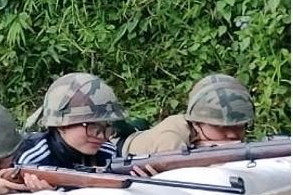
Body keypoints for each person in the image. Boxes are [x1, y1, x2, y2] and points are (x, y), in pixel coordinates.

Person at [14, 72, 126, 170]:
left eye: (106, 128)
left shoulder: (107, 153)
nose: (101, 136)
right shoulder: (33, 159)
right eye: (93, 128)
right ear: (61, 126)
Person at [123, 74, 255, 156]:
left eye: (238, 126)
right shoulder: (171, 139)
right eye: (220, 128)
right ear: (196, 124)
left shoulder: (202, 136)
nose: (232, 135)